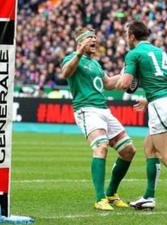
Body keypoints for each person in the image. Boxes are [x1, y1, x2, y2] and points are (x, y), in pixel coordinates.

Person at [116, 21, 167, 214]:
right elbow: (161, 80)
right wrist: (147, 98)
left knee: (165, 153)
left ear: (131, 36)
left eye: (126, 34)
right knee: (149, 147)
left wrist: (116, 80)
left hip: (161, 105)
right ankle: (148, 197)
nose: (125, 38)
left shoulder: (133, 54)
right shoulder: (160, 51)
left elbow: (126, 84)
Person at [60, 27, 136, 211]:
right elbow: (65, 73)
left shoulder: (95, 63)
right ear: (80, 42)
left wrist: (128, 73)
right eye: (89, 38)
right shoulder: (72, 57)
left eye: (95, 37)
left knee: (128, 150)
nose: (94, 40)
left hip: (104, 110)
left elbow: (109, 83)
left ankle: (111, 193)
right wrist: (78, 53)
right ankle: (99, 198)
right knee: (101, 147)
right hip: (86, 110)